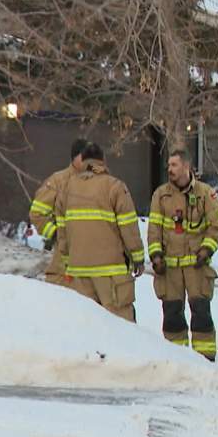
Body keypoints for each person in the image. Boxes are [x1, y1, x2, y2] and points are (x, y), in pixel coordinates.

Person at [147, 149, 218, 361]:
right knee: (172, 315)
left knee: (201, 313)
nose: (169, 169)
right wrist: (156, 256)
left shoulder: (204, 193)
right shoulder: (161, 195)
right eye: (169, 165)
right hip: (169, 268)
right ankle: (177, 360)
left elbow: (216, 224)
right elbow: (154, 229)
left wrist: (207, 249)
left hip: (196, 268)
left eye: (174, 165)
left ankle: (205, 359)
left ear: (186, 167)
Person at [54, 143, 145, 321]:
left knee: (87, 327)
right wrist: (138, 258)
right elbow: (129, 227)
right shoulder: (115, 187)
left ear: (83, 161)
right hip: (111, 273)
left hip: (78, 272)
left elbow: (62, 232)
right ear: (102, 161)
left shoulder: (66, 189)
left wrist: (67, 260)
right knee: (120, 326)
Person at [28, 138, 90, 285]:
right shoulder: (58, 181)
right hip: (64, 259)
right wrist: (56, 234)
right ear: (75, 157)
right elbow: (37, 213)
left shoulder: (98, 182)